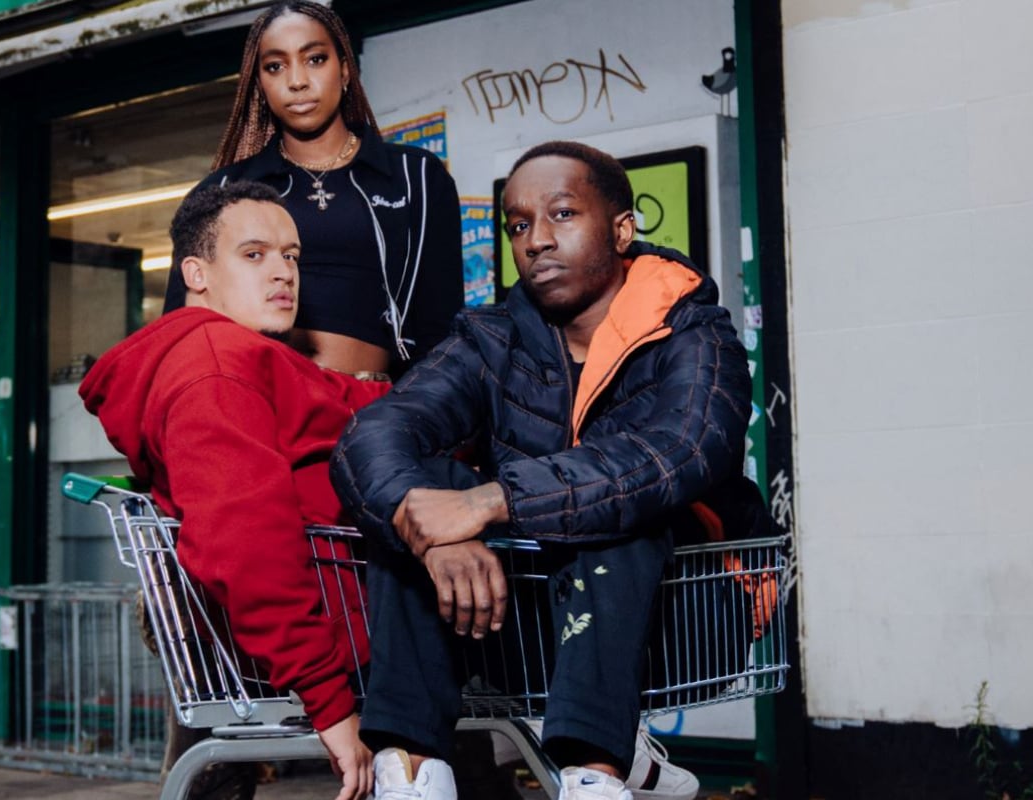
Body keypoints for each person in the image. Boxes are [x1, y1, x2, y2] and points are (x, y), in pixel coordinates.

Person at [331, 141, 755, 800]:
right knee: (426, 487)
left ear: (621, 229)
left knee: (620, 511)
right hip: (525, 624)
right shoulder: (490, 339)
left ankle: (596, 775)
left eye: (561, 214)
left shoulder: (694, 332)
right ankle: (414, 774)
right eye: (519, 225)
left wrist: (492, 502)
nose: (535, 241)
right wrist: (439, 534)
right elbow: (373, 435)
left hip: (684, 617)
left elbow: (681, 451)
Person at [80, 180, 389, 800]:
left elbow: (348, 405)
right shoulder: (215, 368)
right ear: (196, 273)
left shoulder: (249, 356)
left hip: (362, 610)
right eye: (254, 255)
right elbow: (247, 544)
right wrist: (327, 700)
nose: (282, 272)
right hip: (357, 625)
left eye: (291, 256)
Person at [162, 0, 464, 379]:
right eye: (275, 66)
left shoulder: (415, 175)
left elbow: (442, 326)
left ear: (346, 69)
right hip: (254, 405)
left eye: (315, 59)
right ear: (260, 85)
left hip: (377, 412)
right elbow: (182, 331)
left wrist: (421, 421)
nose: (297, 81)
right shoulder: (226, 191)